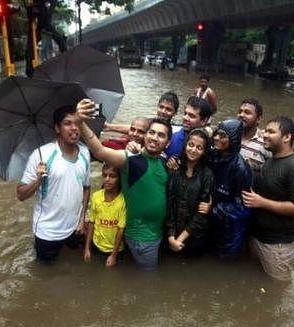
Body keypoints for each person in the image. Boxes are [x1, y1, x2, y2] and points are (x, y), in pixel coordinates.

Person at [76, 98, 172, 270]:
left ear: (168, 143)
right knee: (148, 279)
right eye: (152, 133)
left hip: (157, 233)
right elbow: (99, 151)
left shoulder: (165, 162)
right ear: (146, 135)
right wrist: (80, 122)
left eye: (161, 135)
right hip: (142, 239)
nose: (155, 138)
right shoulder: (131, 160)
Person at [242, 116, 294, 281]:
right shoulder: (269, 162)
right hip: (258, 236)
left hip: (278, 244)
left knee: (279, 285)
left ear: (287, 137)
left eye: (271, 132)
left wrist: (262, 202)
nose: (264, 135)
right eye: (265, 131)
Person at [17, 106, 90, 262]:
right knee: (45, 272)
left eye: (77, 123)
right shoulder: (41, 155)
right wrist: (38, 180)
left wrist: (82, 219)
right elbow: (21, 194)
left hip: (75, 227)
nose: (74, 128)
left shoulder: (85, 152)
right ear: (57, 128)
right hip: (48, 232)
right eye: (67, 123)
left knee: (74, 264)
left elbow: (86, 187)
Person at [208, 119, 253, 258]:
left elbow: (244, 207)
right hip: (212, 223)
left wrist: (213, 210)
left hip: (230, 229)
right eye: (216, 134)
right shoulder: (214, 155)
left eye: (222, 136)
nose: (216, 138)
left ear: (232, 139)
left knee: (224, 260)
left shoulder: (241, 168)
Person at [166, 129, 214, 256]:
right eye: (191, 145)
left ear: (204, 152)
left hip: (194, 237)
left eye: (199, 147)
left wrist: (180, 239)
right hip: (171, 234)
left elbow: (202, 212)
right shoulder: (174, 168)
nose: (193, 150)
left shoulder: (207, 175)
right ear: (185, 145)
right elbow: (169, 203)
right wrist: (171, 236)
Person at [84, 163, 126, 267]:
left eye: (112, 176)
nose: (107, 179)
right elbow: (91, 223)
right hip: (97, 245)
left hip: (115, 250)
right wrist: (87, 248)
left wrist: (114, 255)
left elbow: (121, 229)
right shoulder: (96, 197)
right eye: (104, 175)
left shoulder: (123, 201)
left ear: (119, 179)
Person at [237, 98, 271, 178]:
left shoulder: (265, 143)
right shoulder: (229, 136)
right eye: (240, 111)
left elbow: (271, 174)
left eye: (247, 113)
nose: (241, 115)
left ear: (258, 119)